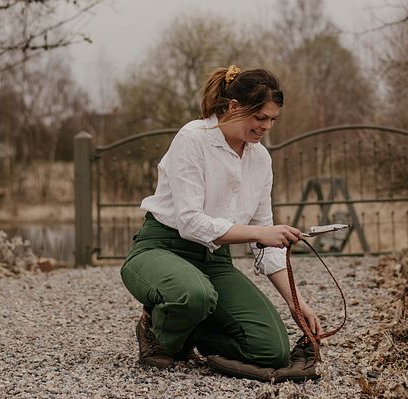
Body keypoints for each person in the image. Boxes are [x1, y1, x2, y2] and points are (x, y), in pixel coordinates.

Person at [120, 65, 323, 380]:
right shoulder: (193, 138)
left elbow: (266, 244)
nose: (267, 126)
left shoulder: (261, 159)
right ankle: (156, 330)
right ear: (233, 107)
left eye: (273, 119)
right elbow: (190, 223)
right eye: (260, 118)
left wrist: (297, 304)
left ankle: (190, 329)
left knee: (273, 351)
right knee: (194, 294)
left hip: (215, 261)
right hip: (162, 248)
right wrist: (261, 233)